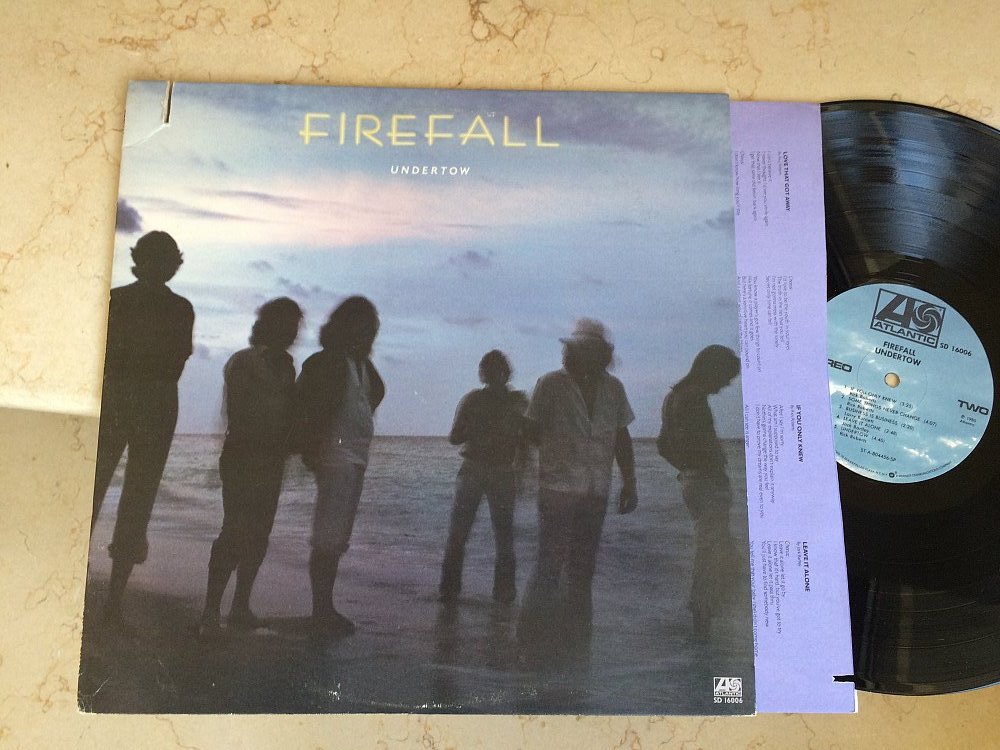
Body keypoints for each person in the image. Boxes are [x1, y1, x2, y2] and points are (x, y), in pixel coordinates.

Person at [517, 318, 637, 664]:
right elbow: (530, 432)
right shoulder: (551, 384)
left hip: (596, 489)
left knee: (583, 569)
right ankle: (531, 640)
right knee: (549, 564)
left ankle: (576, 641)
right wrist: (525, 467)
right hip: (557, 487)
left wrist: (630, 482)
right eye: (578, 349)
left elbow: (621, 438)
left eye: (590, 350)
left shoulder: (614, 388)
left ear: (602, 354)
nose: (582, 355)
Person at [91, 230, 194, 626]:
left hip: (132, 397)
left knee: (113, 492)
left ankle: (110, 601)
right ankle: (111, 602)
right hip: (147, 399)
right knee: (126, 494)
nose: (164, 266)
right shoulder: (173, 307)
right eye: (159, 259)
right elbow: (175, 361)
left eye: (167, 259)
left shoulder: (119, 299)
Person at [199, 297, 303, 638]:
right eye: (288, 325)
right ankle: (211, 610)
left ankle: (240, 606)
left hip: (270, 459)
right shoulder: (243, 361)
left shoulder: (287, 366)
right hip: (243, 456)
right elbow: (239, 412)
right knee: (234, 531)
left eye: (296, 326)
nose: (294, 332)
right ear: (270, 325)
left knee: (259, 533)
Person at [295, 296, 384, 639]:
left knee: (335, 539)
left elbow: (376, 392)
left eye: (372, 328)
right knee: (328, 538)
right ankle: (321, 610)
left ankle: (324, 607)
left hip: (355, 457)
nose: (370, 333)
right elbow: (308, 405)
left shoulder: (357, 364)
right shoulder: (329, 361)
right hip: (336, 456)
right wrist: (311, 449)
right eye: (364, 326)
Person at [656, 344, 741, 640]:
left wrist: (687, 470)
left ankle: (708, 625)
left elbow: (663, 445)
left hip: (694, 482)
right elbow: (695, 444)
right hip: (707, 485)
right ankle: (703, 627)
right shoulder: (693, 398)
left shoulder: (675, 396)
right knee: (711, 556)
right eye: (726, 377)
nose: (726, 385)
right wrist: (709, 469)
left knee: (718, 552)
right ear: (712, 371)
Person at [439, 350, 528, 605]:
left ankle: (456, 591)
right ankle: (490, 594)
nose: (492, 375)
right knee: (488, 534)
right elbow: (455, 437)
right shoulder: (509, 401)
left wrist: (523, 469)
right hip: (483, 468)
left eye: (493, 370)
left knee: (487, 534)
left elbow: (526, 439)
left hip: (492, 469)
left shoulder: (510, 401)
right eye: (489, 370)